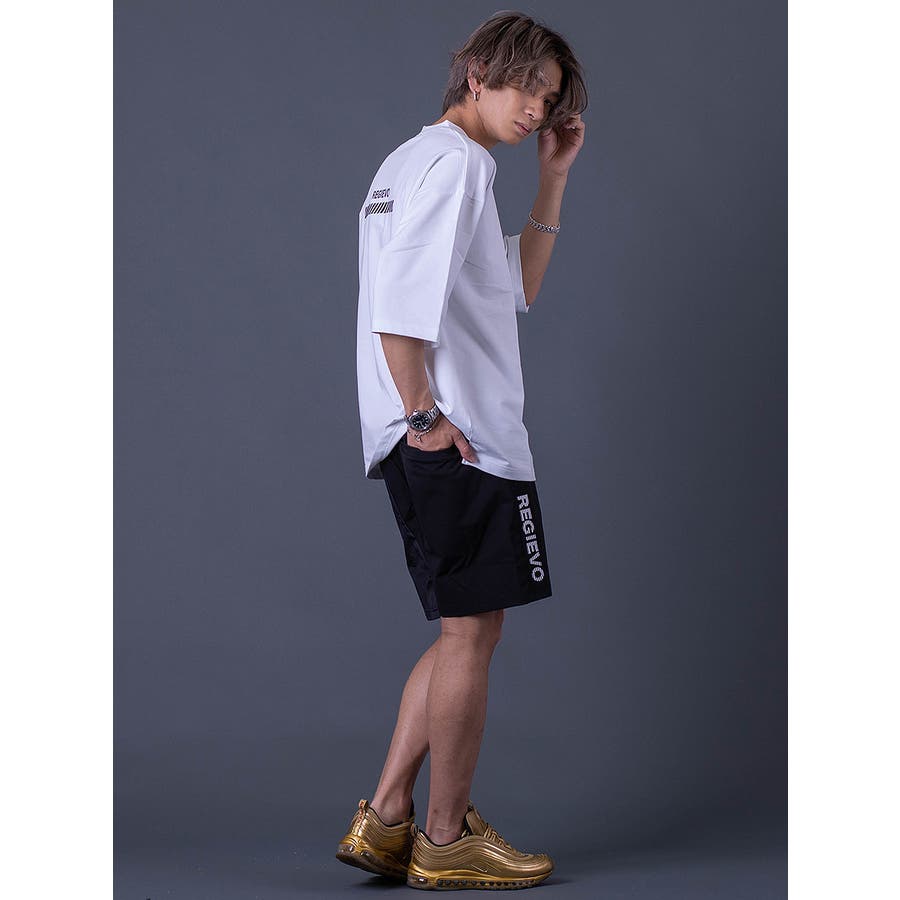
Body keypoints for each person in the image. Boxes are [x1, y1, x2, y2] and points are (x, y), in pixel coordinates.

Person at [337, 10, 587, 891]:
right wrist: (426, 419)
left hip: (426, 435)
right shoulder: (458, 164)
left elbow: (512, 287)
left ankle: (386, 820)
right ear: (477, 74)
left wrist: (553, 177)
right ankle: (444, 838)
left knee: (463, 630)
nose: (537, 109)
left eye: (549, 98)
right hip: (459, 438)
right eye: (526, 88)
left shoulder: (412, 161)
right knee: (472, 633)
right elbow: (398, 310)